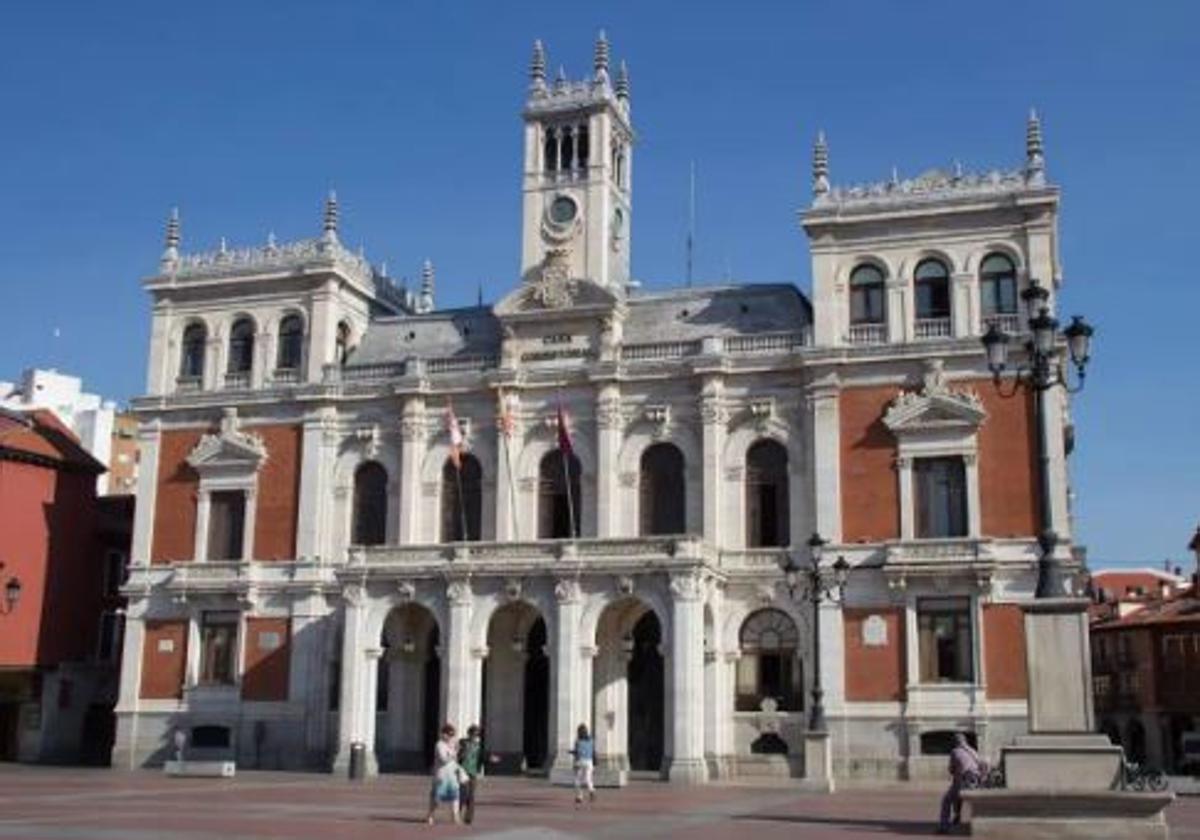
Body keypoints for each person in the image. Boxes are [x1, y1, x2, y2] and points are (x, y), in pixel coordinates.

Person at [938, 732, 984, 834]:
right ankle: (957, 816)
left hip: (965, 781)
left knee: (947, 800)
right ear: (965, 741)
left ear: (955, 742)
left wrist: (956, 771)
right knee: (957, 793)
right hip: (976, 782)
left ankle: (943, 826)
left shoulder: (955, 751)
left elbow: (951, 769)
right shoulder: (973, 751)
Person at [425, 724, 463, 826]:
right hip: (441, 775)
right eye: (449, 735)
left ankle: (455, 816)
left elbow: (454, 761)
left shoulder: (451, 745)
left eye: (452, 735)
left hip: (451, 775)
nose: (450, 737)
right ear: (443, 734)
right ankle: (430, 815)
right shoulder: (439, 745)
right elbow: (443, 759)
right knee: (437, 798)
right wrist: (454, 753)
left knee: (455, 796)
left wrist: (458, 769)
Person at [457, 724, 485, 825]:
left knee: (471, 796)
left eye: (477, 735)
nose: (475, 736)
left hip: (473, 772)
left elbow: (482, 757)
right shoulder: (463, 743)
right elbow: (457, 754)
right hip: (463, 771)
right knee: (462, 794)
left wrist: (490, 759)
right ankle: (457, 815)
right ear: (469, 733)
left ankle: (468, 818)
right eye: (473, 734)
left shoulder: (478, 746)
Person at [571, 723, 595, 805]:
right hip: (589, 762)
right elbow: (592, 751)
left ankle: (579, 797)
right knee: (588, 779)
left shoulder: (578, 741)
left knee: (577, 780)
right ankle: (591, 790)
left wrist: (571, 753)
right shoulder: (591, 740)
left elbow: (577, 753)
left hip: (580, 761)